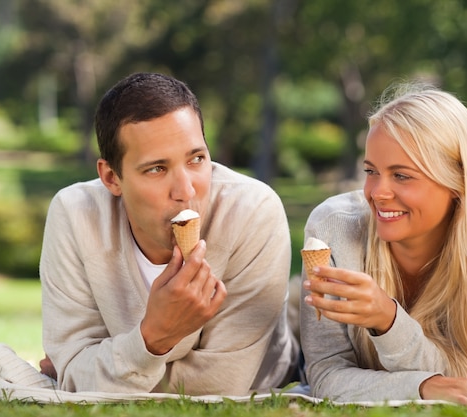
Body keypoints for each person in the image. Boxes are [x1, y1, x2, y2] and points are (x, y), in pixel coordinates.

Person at [38, 72, 299, 395]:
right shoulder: (75, 215)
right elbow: (74, 370)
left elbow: (224, 385)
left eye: (197, 159)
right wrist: (153, 337)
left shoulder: (253, 211)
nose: (186, 190)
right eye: (156, 169)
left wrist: (101, 373)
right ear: (111, 177)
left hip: (267, 385)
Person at [300, 82, 467, 406]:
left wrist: (388, 321)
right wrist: (423, 387)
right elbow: (324, 376)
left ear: (457, 182)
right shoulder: (332, 228)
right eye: (371, 171)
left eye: (402, 176)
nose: (377, 192)